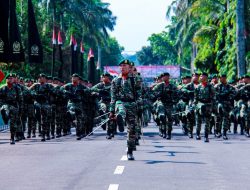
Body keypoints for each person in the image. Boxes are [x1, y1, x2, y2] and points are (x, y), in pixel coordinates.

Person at [109, 59, 142, 160]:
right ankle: (120, 120)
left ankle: (130, 150)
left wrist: (140, 107)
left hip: (132, 104)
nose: (123, 67)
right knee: (121, 110)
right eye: (121, 66)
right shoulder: (115, 80)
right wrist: (111, 111)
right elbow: (113, 97)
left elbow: (139, 94)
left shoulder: (135, 79)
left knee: (132, 129)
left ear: (129, 67)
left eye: (125, 66)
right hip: (120, 102)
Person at [0, 74, 23, 144]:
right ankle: (5, 117)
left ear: (13, 79)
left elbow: (20, 99)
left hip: (14, 106)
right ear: (6, 79)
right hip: (5, 104)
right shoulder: (2, 88)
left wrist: (21, 108)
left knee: (13, 123)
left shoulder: (17, 88)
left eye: (11, 78)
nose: (10, 79)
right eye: (8, 78)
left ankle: (12, 138)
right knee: (4, 110)